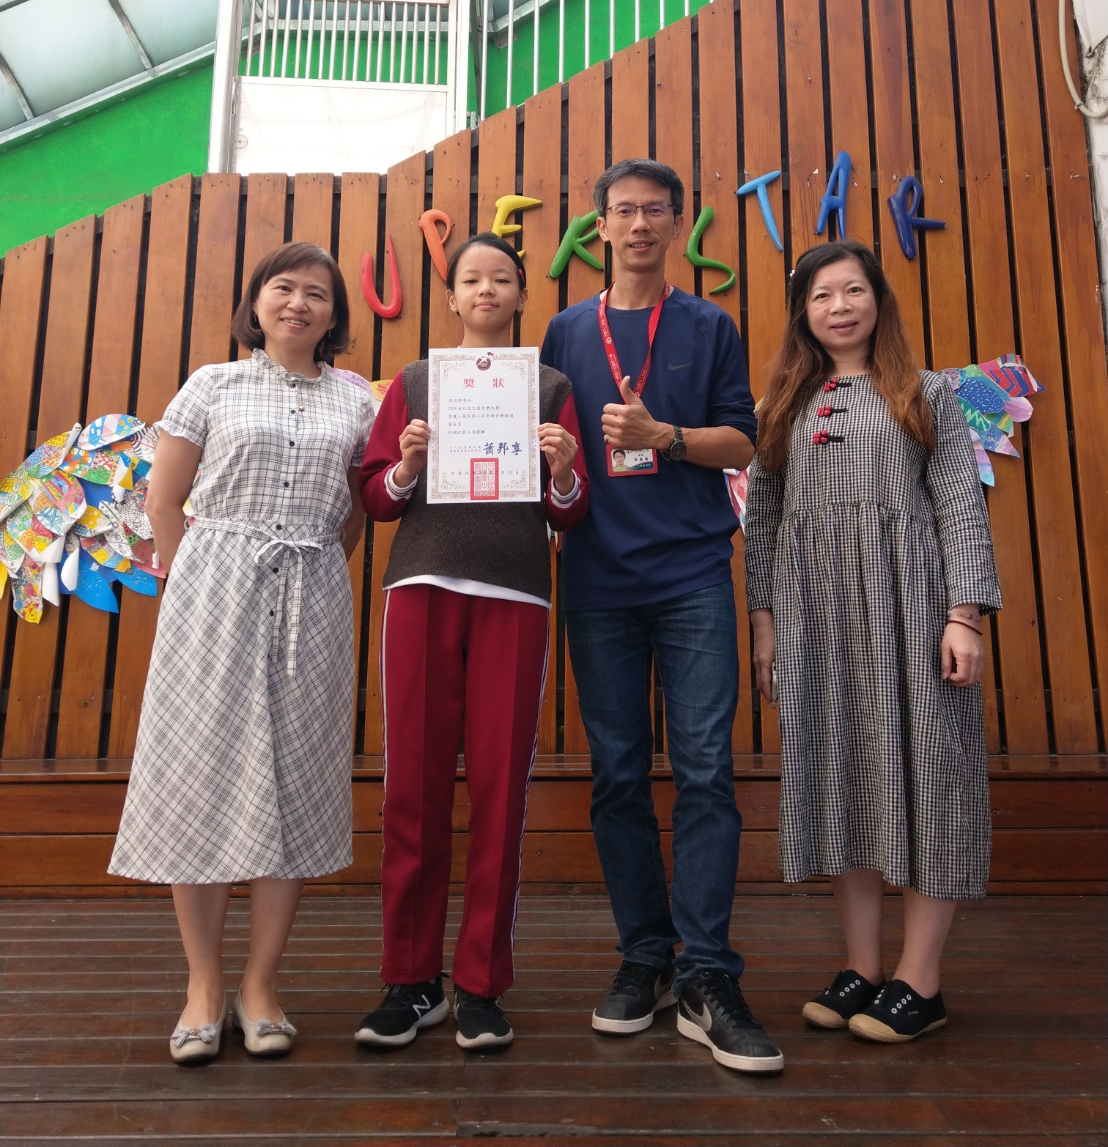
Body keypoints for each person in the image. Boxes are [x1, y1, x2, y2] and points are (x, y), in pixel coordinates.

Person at [540, 159, 783, 1075]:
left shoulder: (709, 324)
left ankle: (709, 971)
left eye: (654, 209)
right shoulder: (567, 330)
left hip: (691, 576)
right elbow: (550, 447)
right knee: (617, 774)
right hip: (597, 580)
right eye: (623, 210)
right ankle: (645, 956)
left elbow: (743, 440)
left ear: (678, 223)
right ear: (599, 228)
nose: (638, 223)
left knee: (707, 770)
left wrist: (664, 439)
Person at [109, 242, 375, 1064]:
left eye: (317, 293)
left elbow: (356, 509)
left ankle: (261, 986)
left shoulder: (358, 399)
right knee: (200, 776)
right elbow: (163, 499)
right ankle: (203, 985)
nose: (298, 303)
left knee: (293, 782)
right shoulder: (212, 384)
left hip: (312, 595)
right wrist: (193, 582)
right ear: (256, 303)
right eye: (282, 288)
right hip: (212, 593)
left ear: (335, 315)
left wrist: (314, 563)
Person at [744, 240, 1001, 1044]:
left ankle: (922, 980)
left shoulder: (929, 392)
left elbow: (960, 504)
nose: (839, 307)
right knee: (845, 776)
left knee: (932, 778)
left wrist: (964, 615)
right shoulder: (784, 403)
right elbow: (762, 519)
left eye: (853, 290)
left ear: (878, 300)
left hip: (914, 612)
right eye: (821, 295)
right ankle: (864, 967)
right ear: (803, 313)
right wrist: (763, 620)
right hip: (816, 618)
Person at [357, 233, 589, 1052]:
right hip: (421, 587)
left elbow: (570, 510)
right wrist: (407, 465)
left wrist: (563, 468)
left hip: (514, 594)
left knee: (500, 793)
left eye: (501, 278)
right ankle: (410, 979)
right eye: (470, 278)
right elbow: (376, 496)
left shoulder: (548, 386)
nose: (486, 289)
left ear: (522, 295)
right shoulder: (415, 382)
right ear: (451, 296)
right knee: (412, 789)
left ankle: (482, 983)